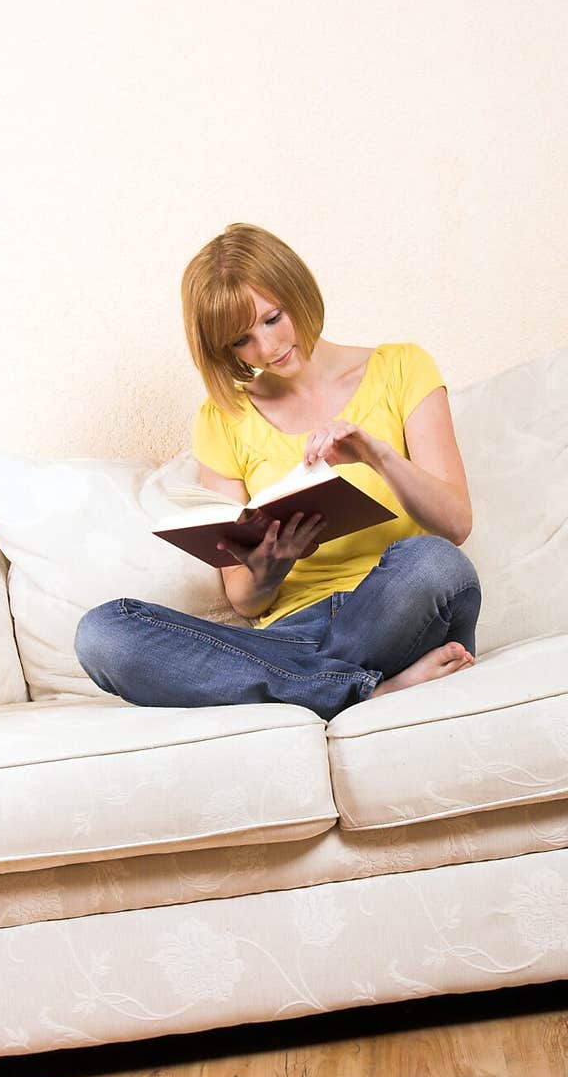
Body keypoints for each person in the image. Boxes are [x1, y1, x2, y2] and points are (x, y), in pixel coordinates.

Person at [75, 223, 481, 721]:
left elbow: (457, 524)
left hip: (395, 614)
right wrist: (271, 567)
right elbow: (245, 601)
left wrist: (377, 456)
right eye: (242, 340)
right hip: (292, 632)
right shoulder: (224, 418)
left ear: (297, 288)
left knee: (435, 561)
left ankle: (300, 685)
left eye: (272, 319)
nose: (266, 348)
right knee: (103, 633)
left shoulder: (402, 367)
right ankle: (362, 692)